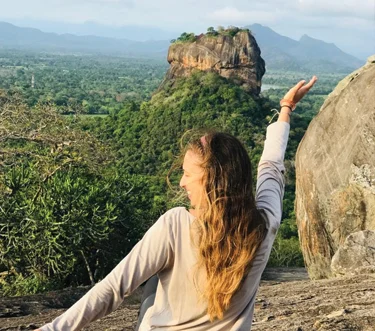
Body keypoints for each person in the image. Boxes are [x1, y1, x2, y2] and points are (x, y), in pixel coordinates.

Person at [36, 76, 317, 331]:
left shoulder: (175, 225)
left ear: (210, 182)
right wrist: (286, 108)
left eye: (187, 174)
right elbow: (271, 167)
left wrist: (52, 329)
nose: (182, 183)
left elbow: (113, 288)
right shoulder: (264, 225)